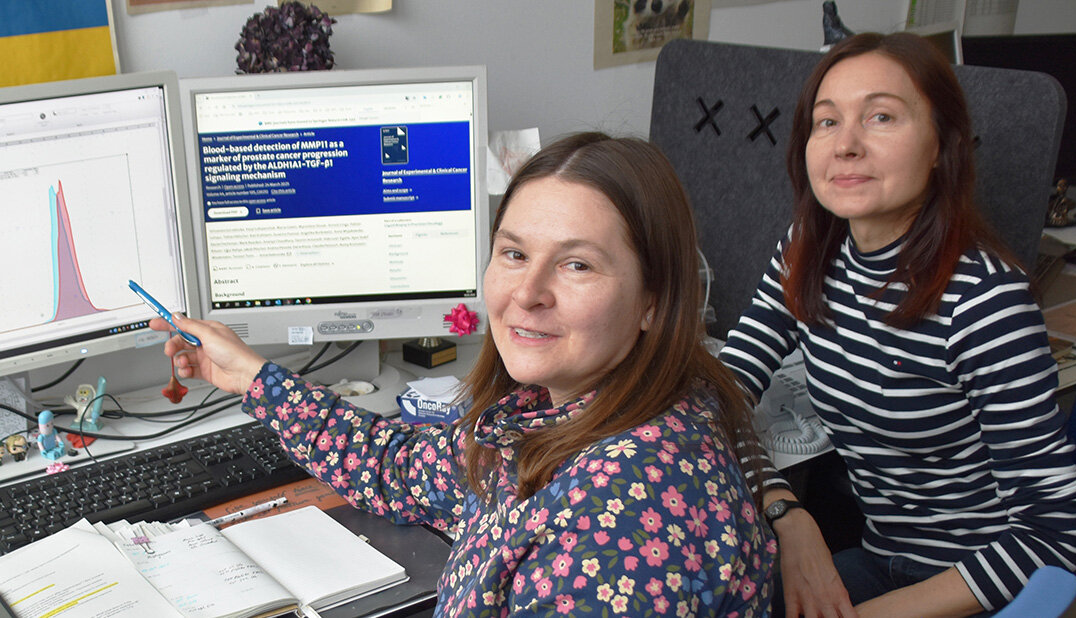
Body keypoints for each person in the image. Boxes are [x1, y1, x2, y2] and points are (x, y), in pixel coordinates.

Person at [154, 132, 776, 616]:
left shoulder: (626, 526)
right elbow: (402, 471)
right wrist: (254, 378)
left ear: (652, 300)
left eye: (578, 265)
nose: (527, 292)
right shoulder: (554, 412)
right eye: (513, 253)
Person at [720, 32, 1076, 617]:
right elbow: (719, 394)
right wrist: (786, 513)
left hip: (985, 585)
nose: (845, 144)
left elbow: (1055, 534)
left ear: (941, 147)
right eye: (826, 122)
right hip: (880, 556)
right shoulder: (807, 251)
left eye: (881, 117)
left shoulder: (986, 299)